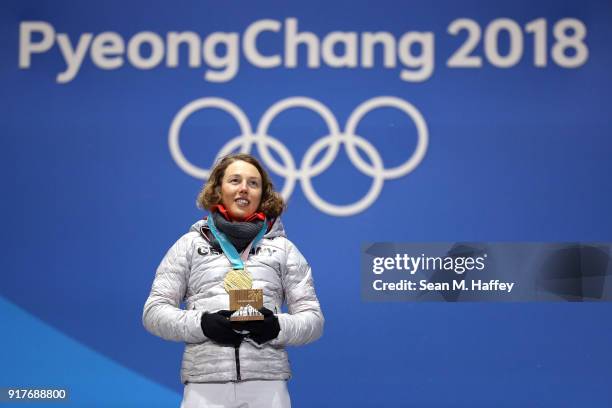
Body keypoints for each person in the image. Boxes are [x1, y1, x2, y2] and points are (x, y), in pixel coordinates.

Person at [143, 153, 324, 408]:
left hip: (267, 385)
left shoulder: (284, 249)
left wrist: (276, 327)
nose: (243, 188)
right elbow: (153, 312)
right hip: (204, 385)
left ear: (263, 194)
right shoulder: (189, 246)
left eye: (253, 183)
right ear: (218, 189)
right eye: (235, 180)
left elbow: (313, 320)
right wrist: (202, 324)